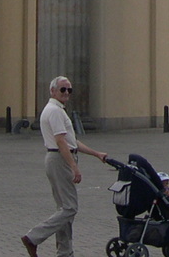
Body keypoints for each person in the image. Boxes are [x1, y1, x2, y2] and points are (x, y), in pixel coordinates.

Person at [19, 75, 109, 257]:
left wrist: (96, 154)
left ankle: (65, 252)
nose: (66, 92)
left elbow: (72, 141)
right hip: (59, 160)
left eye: (69, 89)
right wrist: (74, 167)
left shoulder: (57, 110)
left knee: (64, 210)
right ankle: (34, 237)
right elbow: (61, 142)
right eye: (62, 89)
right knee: (70, 208)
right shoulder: (54, 111)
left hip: (58, 158)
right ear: (52, 91)